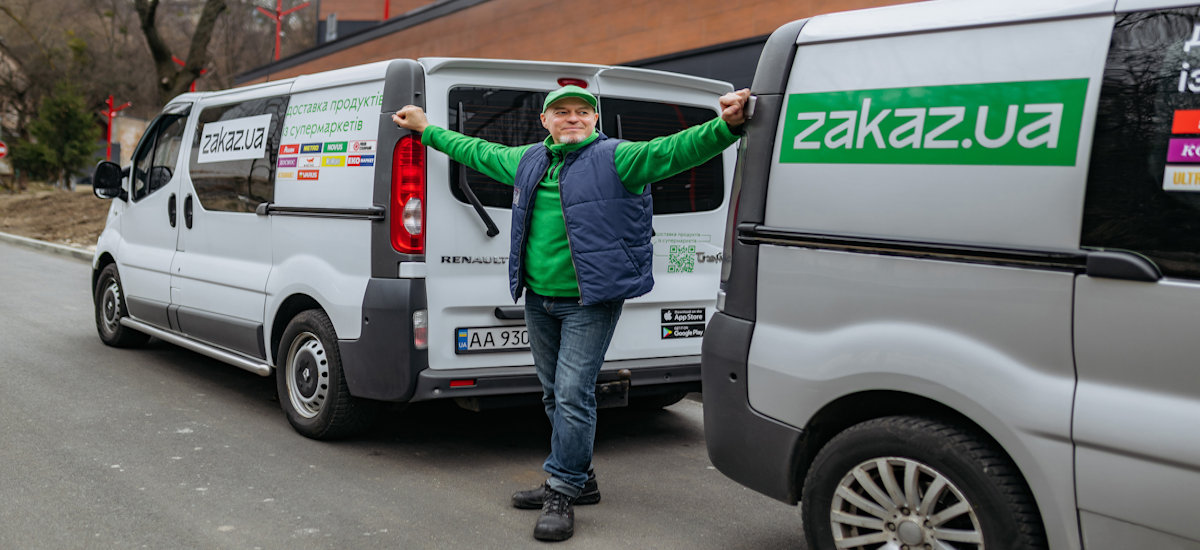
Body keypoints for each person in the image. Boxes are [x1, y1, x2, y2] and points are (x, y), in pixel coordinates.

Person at [392, 84, 750, 542]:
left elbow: (676, 150)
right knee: (552, 393)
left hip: (590, 300)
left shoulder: (619, 158)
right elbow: (476, 150)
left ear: (595, 120)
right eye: (562, 112)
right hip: (539, 298)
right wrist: (426, 129)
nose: (574, 118)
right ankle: (582, 479)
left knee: (572, 392)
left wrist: (726, 126)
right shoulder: (528, 161)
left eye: (583, 111)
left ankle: (562, 489)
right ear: (545, 121)